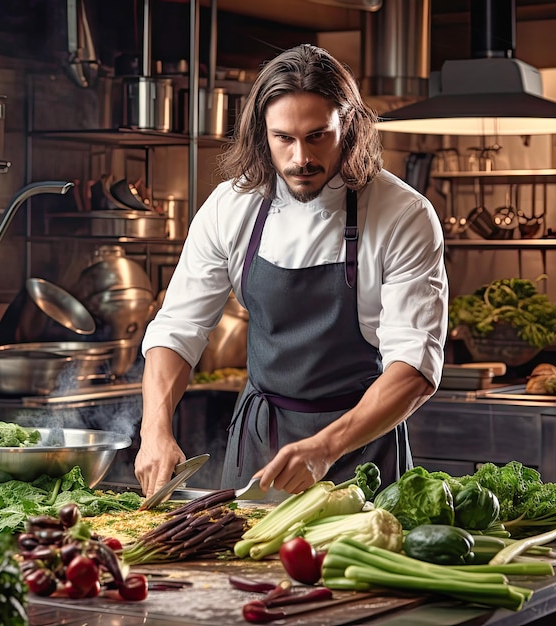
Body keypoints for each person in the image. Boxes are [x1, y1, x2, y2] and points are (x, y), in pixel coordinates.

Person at [135, 43, 448, 499]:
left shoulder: (403, 214)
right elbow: (178, 328)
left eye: (318, 135)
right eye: (284, 138)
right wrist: (154, 431)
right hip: (259, 444)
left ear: (350, 126)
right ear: (263, 134)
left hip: (361, 454)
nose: (300, 157)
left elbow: (414, 365)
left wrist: (326, 447)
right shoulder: (232, 205)